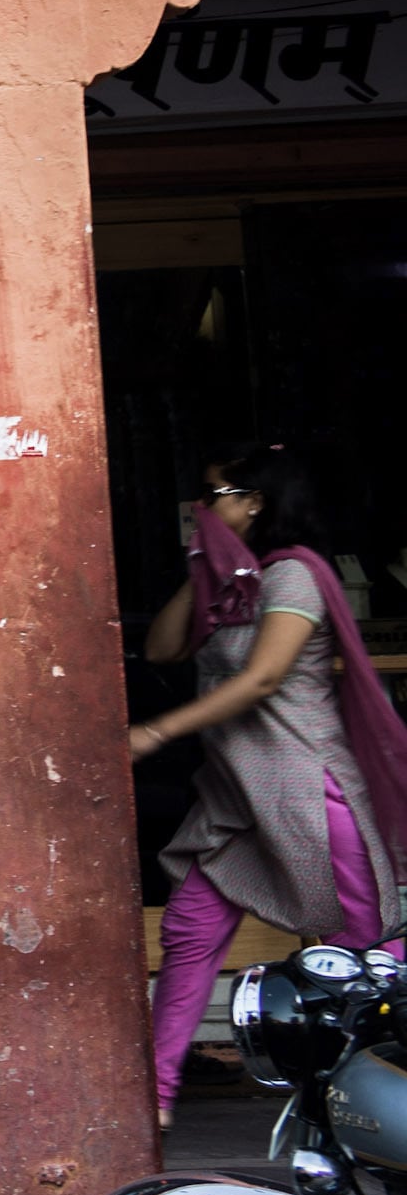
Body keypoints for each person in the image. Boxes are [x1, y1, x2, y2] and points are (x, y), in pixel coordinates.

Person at [136, 442, 407, 1124]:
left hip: (304, 791)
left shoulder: (295, 577)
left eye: (215, 496)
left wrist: (157, 732)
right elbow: (162, 648)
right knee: (190, 930)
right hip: (233, 798)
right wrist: (202, 565)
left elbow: (261, 679)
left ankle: (375, 1096)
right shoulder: (236, 583)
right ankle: (153, 1096)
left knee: (365, 951)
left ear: (256, 502)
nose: (202, 509)